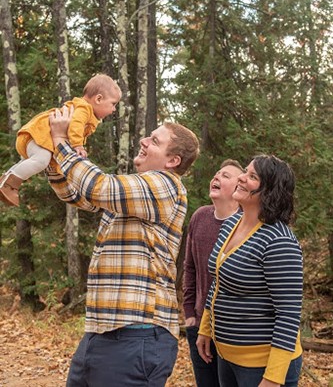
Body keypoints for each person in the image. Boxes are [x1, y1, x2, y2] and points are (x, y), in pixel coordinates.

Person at [46, 105, 200, 387]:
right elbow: (77, 194)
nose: (144, 141)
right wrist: (52, 157)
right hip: (102, 332)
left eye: (155, 141)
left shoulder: (165, 185)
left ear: (173, 160)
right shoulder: (134, 191)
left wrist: (61, 143)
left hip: (136, 335)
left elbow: (99, 187)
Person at [197, 154, 303, 387]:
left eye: (252, 176)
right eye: (245, 172)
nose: (241, 178)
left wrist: (273, 378)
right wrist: (206, 329)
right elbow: (218, 281)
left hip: (261, 367)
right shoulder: (230, 225)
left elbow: (289, 314)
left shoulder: (279, 241)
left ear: (270, 190)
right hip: (226, 358)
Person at [0, 74, 121, 207]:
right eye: (113, 104)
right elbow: (76, 125)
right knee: (41, 160)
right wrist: (78, 145)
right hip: (37, 135)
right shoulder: (84, 109)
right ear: (98, 99)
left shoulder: (84, 110)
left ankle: (5, 182)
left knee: (29, 162)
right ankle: (10, 184)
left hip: (34, 138)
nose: (114, 109)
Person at [183, 159, 244, 387]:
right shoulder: (200, 216)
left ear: (239, 188)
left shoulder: (246, 224)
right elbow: (189, 268)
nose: (217, 177)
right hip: (199, 325)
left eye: (226, 176)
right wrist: (189, 313)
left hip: (233, 330)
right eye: (217, 173)